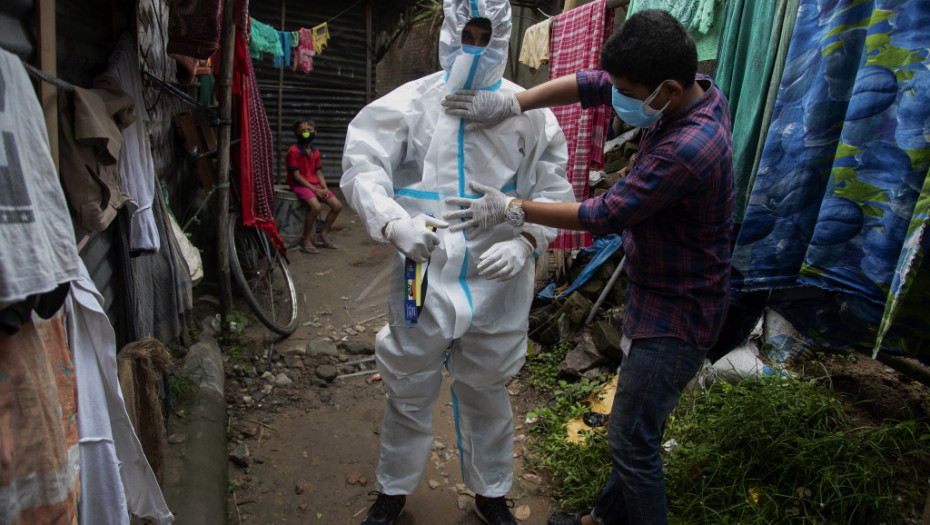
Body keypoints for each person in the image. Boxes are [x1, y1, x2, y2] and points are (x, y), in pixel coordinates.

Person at [442, 9, 734, 525]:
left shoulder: (688, 149)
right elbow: (594, 84)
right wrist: (513, 101)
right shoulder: (695, 92)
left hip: (678, 314)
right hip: (660, 291)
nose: (615, 97)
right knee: (638, 430)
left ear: (666, 88)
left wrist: (515, 209)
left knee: (630, 442)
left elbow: (605, 214)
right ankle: (602, 519)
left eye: (628, 91)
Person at [340, 1, 575, 524]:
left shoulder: (529, 110)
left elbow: (554, 189)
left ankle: (491, 495)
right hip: (420, 270)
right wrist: (392, 222)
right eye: (465, 32)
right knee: (407, 383)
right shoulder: (412, 101)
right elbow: (362, 165)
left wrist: (528, 243)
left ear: (502, 37)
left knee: (487, 389)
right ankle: (393, 491)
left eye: (484, 34)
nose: (473, 44)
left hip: (498, 278)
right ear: (449, 30)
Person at [285, 118, 342, 253]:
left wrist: (324, 188)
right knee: (315, 207)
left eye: (309, 130)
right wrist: (315, 189)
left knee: (337, 205)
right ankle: (305, 238)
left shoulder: (315, 152)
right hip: (299, 184)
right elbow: (296, 176)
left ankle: (323, 234)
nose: (306, 133)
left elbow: (318, 172)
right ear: (296, 134)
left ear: (315, 132)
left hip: (314, 184)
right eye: (302, 131)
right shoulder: (293, 151)